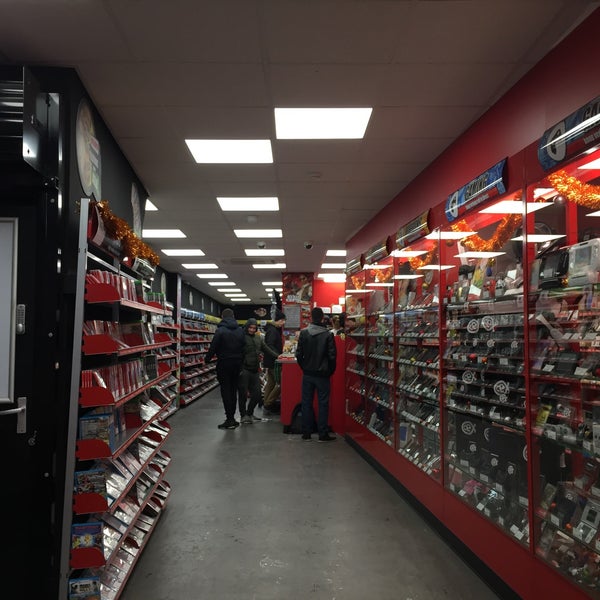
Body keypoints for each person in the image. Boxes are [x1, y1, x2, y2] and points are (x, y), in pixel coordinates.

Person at [295, 306, 337, 442]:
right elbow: (332, 356)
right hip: (323, 375)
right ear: (322, 318)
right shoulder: (328, 335)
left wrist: (304, 368)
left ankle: (306, 432)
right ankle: (322, 433)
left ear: (311, 317)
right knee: (323, 403)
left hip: (307, 374)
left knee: (306, 402)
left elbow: (298, 354)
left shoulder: (304, 333)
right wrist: (330, 371)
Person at [205, 308, 245, 430]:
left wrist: (207, 360)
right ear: (233, 316)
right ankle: (233, 418)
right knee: (233, 391)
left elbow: (213, 347)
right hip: (237, 364)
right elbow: (244, 347)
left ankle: (230, 419)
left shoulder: (220, 331)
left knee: (226, 391)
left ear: (222, 317)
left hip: (224, 364)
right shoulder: (240, 330)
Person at [238, 318, 279, 424]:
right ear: (247, 327)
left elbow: (266, 349)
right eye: (250, 328)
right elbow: (237, 352)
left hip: (255, 370)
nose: (252, 330)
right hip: (244, 369)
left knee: (257, 394)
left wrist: (278, 356)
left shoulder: (258, 338)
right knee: (243, 394)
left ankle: (250, 413)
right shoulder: (241, 337)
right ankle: (243, 415)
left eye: (254, 328)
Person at [262, 309, 286, 414]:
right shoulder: (273, 331)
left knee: (270, 383)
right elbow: (270, 345)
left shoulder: (271, 329)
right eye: (283, 321)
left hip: (270, 361)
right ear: (278, 320)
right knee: (281, 383)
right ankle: (268, 404)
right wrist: (278, 355)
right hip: (274, 362)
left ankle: (266, 403)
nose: (283, 323)